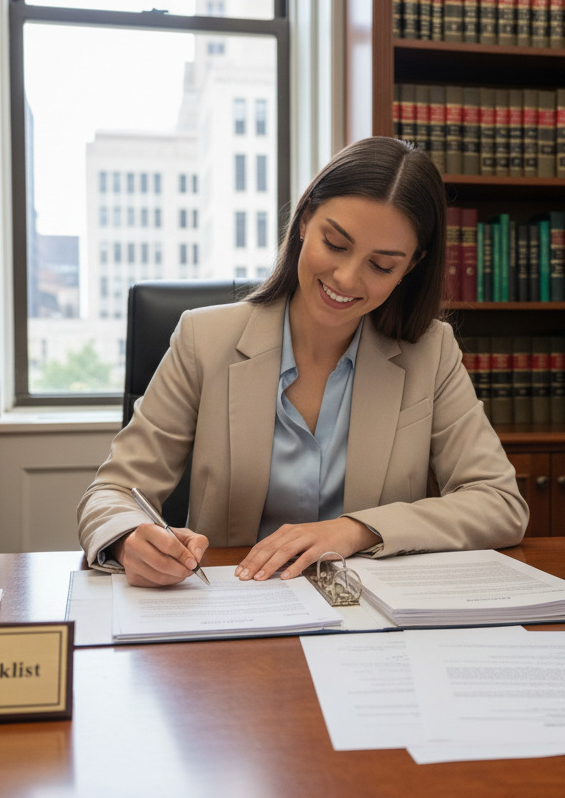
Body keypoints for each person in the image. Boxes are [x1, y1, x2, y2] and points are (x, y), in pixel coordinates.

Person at [78, 136, 529, 587]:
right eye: (335, 244)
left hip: (366, 616)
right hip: (234, 605)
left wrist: (356, 530)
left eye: (382, 265)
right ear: (305, 219)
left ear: (411, 266)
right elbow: (112, 492)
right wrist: (128, 538)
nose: (347, 278)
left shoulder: (431, 352)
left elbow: (499, 502)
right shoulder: (205, 339)